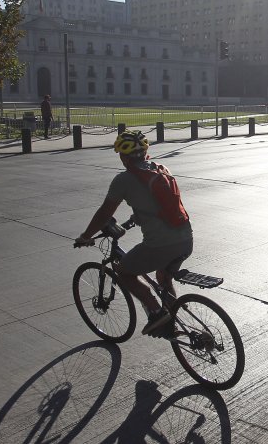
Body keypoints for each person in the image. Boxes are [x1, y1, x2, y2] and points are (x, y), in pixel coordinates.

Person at [75, 130, 193, 337]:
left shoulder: (124, 180)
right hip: (186, 239)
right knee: (163, 277)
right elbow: (160, 206)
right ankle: (172, 320)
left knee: (124, 272)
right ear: (145, 151)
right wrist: (134, 219)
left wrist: (86, 236)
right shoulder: (161, 169)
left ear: (123, 156)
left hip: (159, 246)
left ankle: (157, 313)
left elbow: (104, 213)